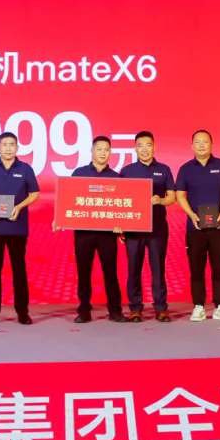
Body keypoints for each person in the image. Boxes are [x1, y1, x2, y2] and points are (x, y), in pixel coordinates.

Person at [54, 136, 126, 323]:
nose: (103, 153)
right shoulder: (79, 173)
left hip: (107, 234)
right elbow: (69, 198)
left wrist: (122, 226)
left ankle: (115, 311)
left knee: (110, 273)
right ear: (92, 151)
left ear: (110, 153)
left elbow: (121, 206)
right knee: (84, 272)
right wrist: (60, 218)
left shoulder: (116, 177)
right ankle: (84, 310)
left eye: (106, 150)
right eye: (99, 149)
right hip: (83, 233)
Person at [0, 132, 40, 325]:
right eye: (5, 145)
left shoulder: (26, 169)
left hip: (17, 227)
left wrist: (19, 207)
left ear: (17, 148)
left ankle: (23, 313)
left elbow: (35, 193)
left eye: (12, 144)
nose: (8, 148)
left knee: (19, 270)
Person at [175, 129, 220, 322]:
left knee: (219, 268)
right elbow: (179, 195)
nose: (201, 145)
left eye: (205, 141)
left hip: (219, 226)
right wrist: (191, 215)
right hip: (195, 227)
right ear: (192, 146)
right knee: (196, 269)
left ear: (211, 144)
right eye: (197, 142)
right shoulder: (185, 169)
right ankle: (199, 307)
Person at [120, 131, 176, 322]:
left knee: (158, 268)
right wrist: (121, 226)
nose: (144, 149)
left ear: (154, 147)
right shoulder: (127, 171)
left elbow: (172, 197)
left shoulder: (164, 169)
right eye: (140, 146)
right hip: (133, 229)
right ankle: (135, 308)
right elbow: (120, 200)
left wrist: (161, 200)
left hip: (157, 227)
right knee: (133, 269)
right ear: (135, 149)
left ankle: (161, 308)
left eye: (148, 145)